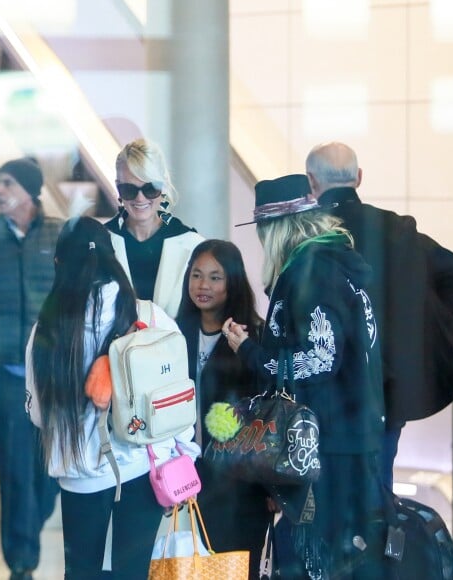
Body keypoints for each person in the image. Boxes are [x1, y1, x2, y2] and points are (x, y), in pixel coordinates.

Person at [226, 174, 387, 578]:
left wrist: (250, 352)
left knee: (316, 556)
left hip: (328, 442)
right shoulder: (337, 265)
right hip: (351, 434)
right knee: (342, 553)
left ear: (274, 229)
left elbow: (318, 359)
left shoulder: (312, 274)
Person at [25, 216, 199, 579]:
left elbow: (40, 416)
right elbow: (178, 398)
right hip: (144, 465)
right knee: (133, 573)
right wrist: (184, 453)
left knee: (82, 572)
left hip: (79, 471)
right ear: (112, 258)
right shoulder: (150, 316)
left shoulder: (49, 329)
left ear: (59, 263)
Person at [305, 142, 453, 491]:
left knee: (325, 493)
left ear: (311, 182)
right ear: (358, 177)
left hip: (327, 388)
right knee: (377, 487)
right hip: (386, 385)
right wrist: (418, 329)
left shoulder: (308, 236)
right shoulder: (397, 230)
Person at [0, 158, 63, 580]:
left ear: (29, 190)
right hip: (3, 381)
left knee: (49, 476)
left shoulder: (60, 235)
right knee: (13, 472)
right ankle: (20, 563)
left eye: (6, 183)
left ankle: (31, 530)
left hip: (53, 381)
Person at [176, 239, 270, 579]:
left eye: (215, 277)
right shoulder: (174, 334)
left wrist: (270, 487)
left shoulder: (253, 338)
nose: (203, 286)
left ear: (232, 281)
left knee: (234, 570)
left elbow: (267, 412)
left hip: (239, 483)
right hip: (186, 477)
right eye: (197, 275)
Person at [105, 138, 205, 318]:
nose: (140, 198)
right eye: (129, 189)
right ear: (118, 188)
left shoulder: (193, 246)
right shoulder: (100, 242)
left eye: (150, 188)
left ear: (164, 185)